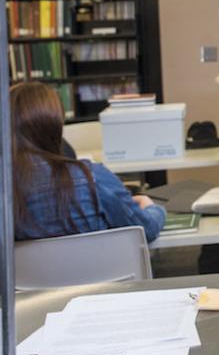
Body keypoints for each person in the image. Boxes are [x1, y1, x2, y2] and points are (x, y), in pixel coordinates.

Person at [11, 81, 166, 242]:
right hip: (104, 268)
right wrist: (152, 208)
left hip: (32, 269)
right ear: (55, 126)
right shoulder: (92, 177)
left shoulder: (8, 192)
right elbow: (145, 230)